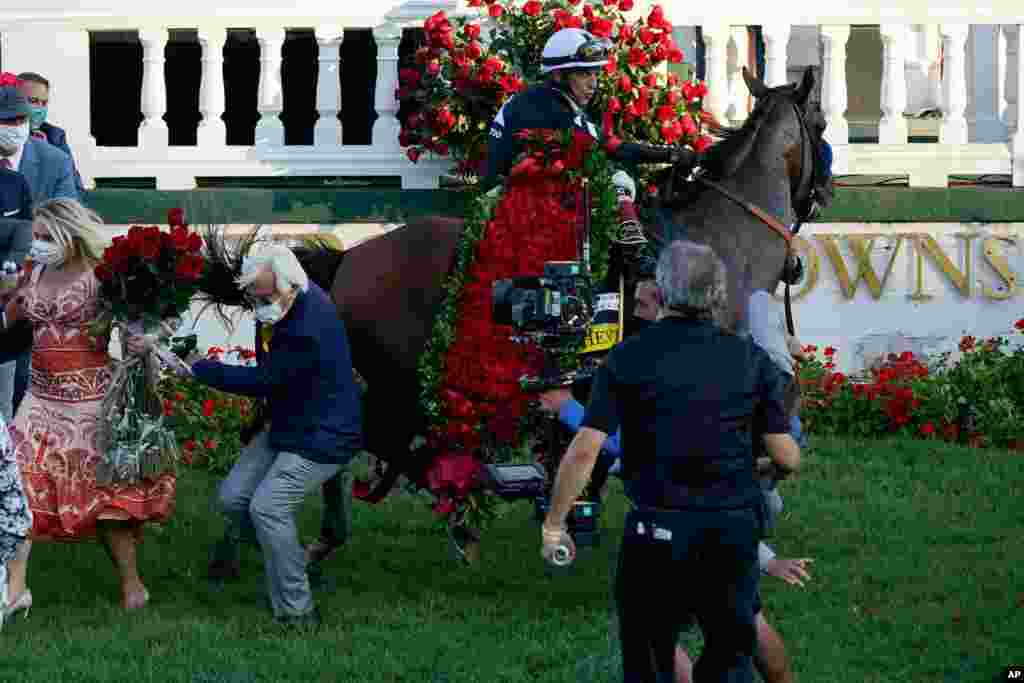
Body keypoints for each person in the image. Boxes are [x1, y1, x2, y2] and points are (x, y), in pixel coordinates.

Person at [541, 240, 801, 682]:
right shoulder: (751, 359)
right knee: (730, 655)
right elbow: (785, 454)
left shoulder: (628, 356)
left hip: (656, 532)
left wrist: (553, 524)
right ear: (717, 296)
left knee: (652, 655)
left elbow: (586, 447)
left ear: (661, 294)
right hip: (731, 532)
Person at [138, 243, 363, 627]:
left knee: (268, 507)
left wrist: (199, 369)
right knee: (233, 499)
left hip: (324, 436)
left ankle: (297, 610)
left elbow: (264, 380)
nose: (261, 304)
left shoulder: (308, 326)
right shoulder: (282, 304)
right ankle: (289, 560)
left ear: (292, 282)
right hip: (290, 424)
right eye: (256, 295)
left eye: (268, 294)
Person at [1, 198, 176, 615]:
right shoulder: (34, 271)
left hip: (91, 402)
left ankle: (132, 583)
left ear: (69, 236)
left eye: (46, 238)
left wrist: (140, 338)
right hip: (40, 399)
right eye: (36, 237)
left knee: (108, 503)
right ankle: (15, 591)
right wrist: (10, 308)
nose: (37, 244)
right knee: (19, 490)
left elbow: (146, 322)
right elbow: (15, 322)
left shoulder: (103, 276)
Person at [481, 28, 695, 191]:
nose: (594, 84)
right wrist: (671, 154)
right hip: (511, 207)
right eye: (584, 74)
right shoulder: (548, 105)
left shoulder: (548, 96)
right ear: (559, 75)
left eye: (595, 74)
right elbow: (614, 148)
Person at [16, 72, 86, 196]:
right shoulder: (7, 137)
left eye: (44, 103)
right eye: (33, 101)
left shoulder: (55, 137)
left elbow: (75, 186)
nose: (39, 108)